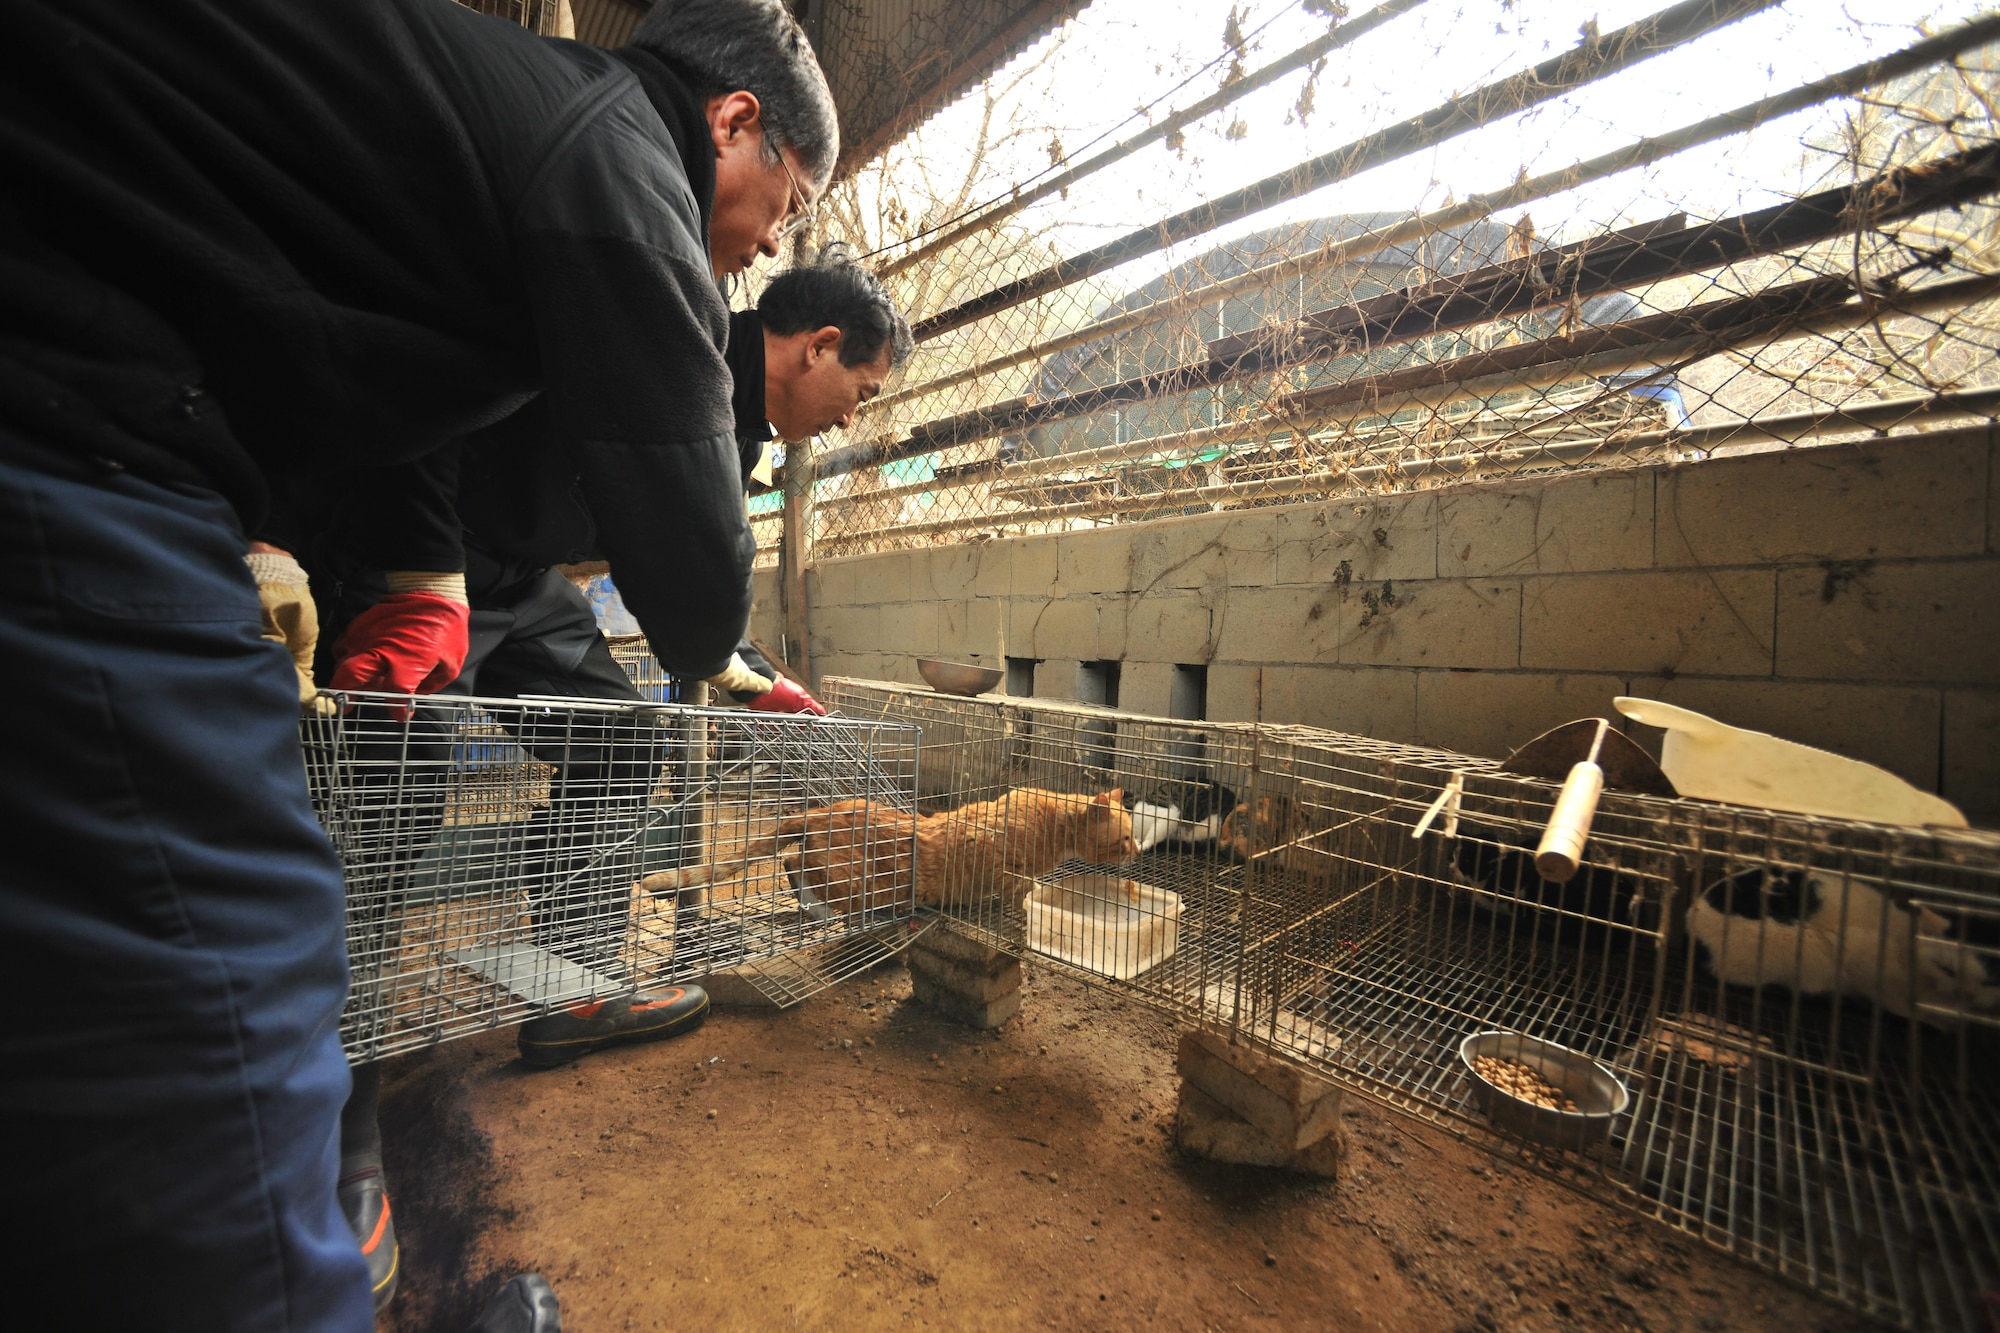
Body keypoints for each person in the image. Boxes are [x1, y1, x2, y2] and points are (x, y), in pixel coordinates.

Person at [0, 0, 837, 1328]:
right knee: (251, 931)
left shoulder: (499, 120)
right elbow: (689, 584)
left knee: (605, 734)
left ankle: (571, 977)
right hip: (84, 415)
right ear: (735, 125)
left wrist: (285, 533)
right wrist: (417, 569)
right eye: (783, 201)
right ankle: (333, 1179)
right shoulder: (619, 158)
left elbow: (341, 327)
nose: (773, 241)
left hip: (259, 470)